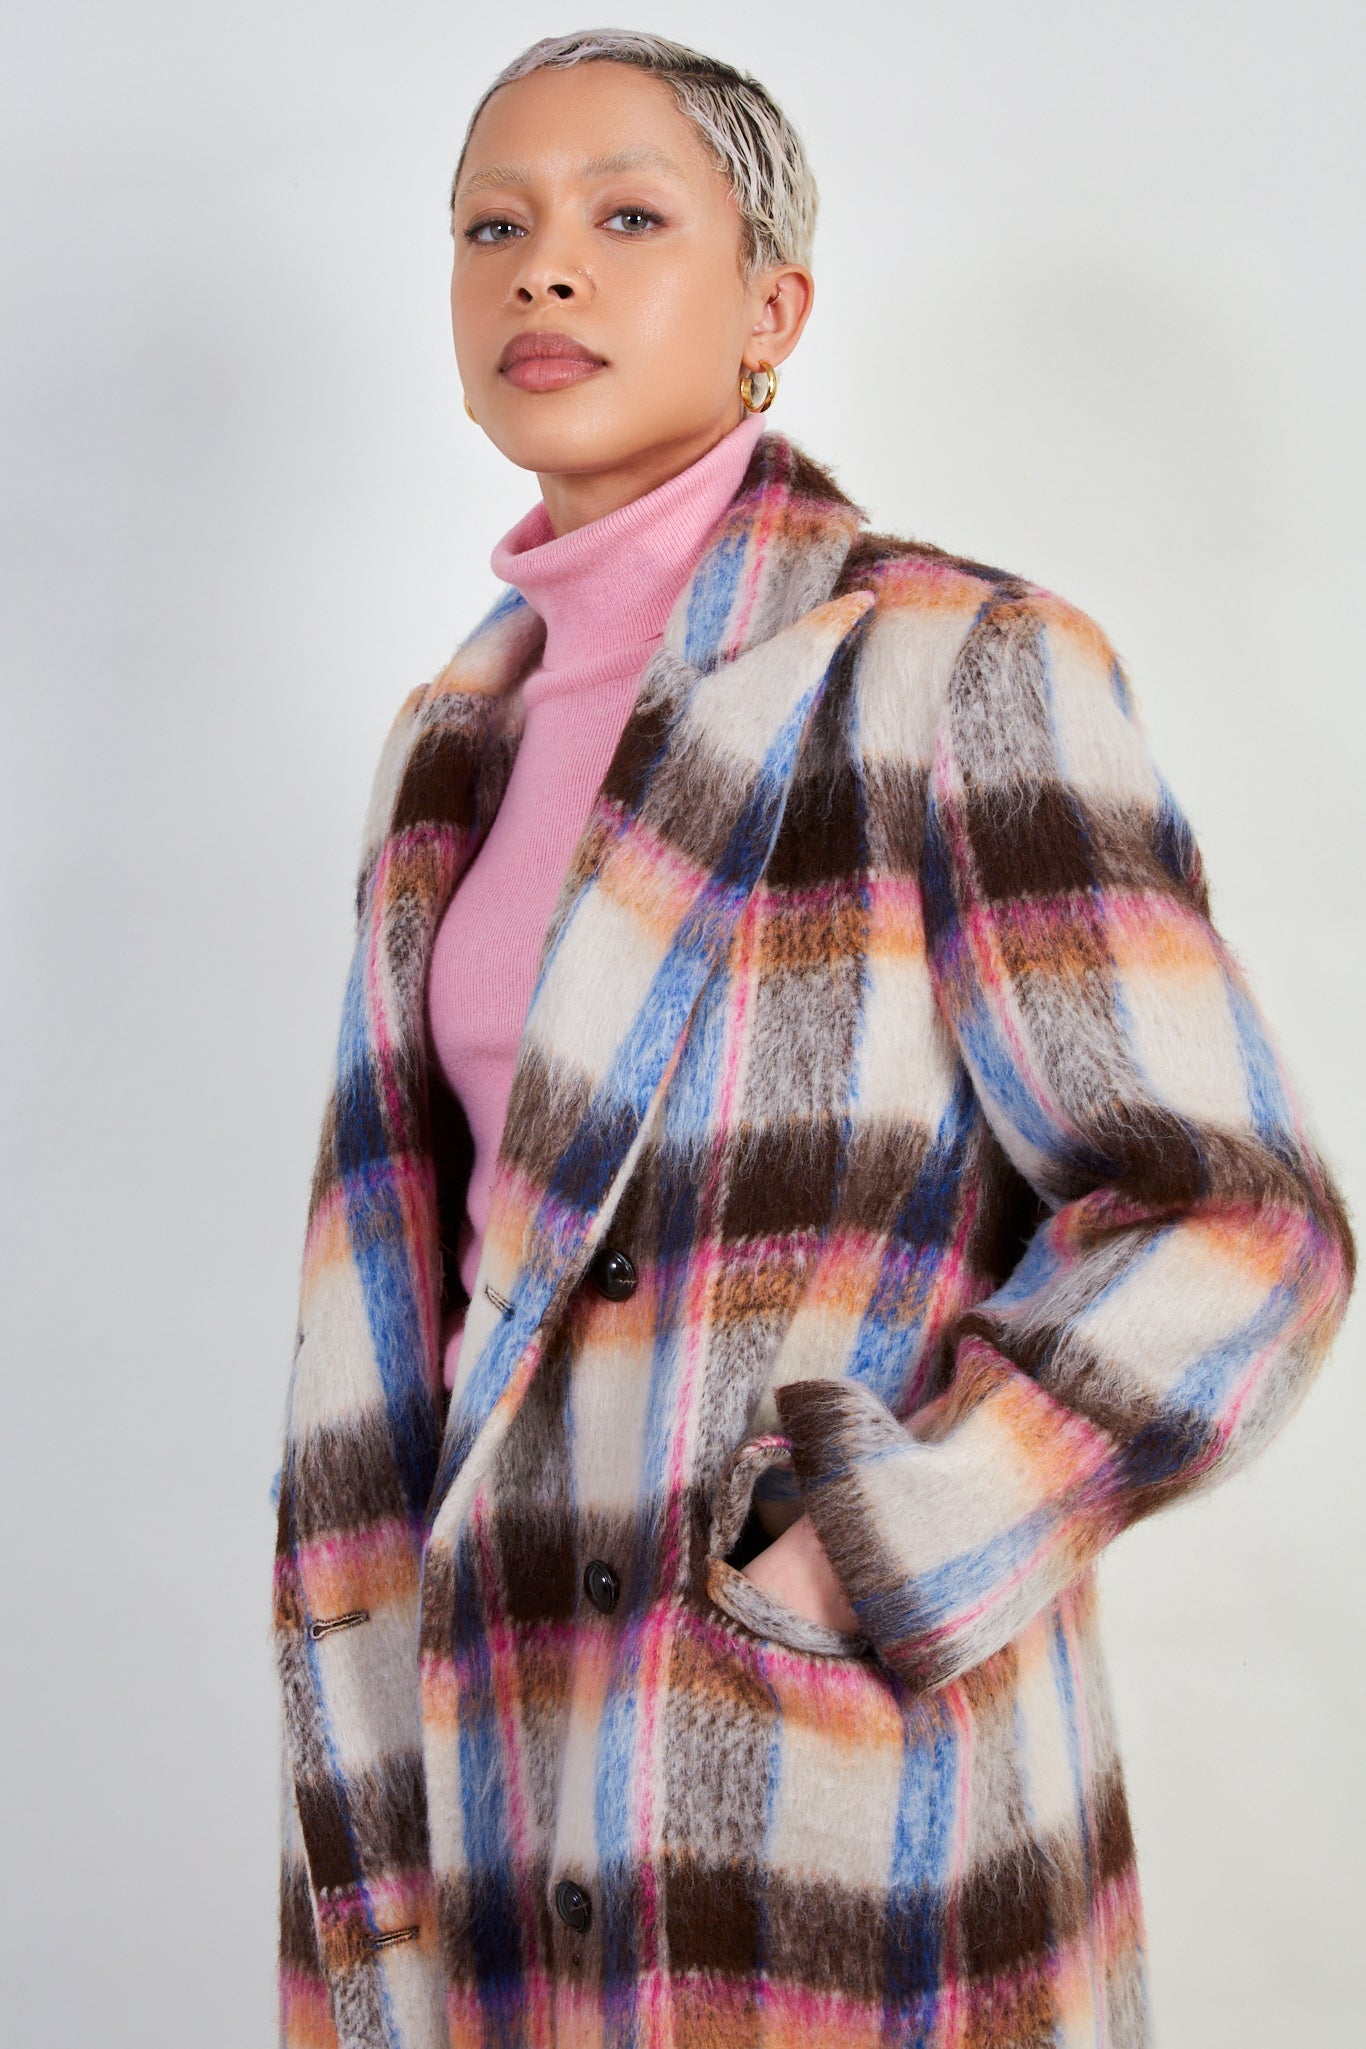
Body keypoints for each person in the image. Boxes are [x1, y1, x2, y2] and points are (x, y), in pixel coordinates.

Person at [271, 29, 1354, 2049]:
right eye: (491, 227)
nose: (543, 268)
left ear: (770, 309)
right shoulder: (445, 751)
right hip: (497, 1758)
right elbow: (425, 1329)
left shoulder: (952, 667)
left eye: (625, 216)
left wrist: (883, 1539)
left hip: (829, 1797)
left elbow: (1236, 1223)